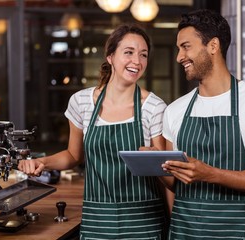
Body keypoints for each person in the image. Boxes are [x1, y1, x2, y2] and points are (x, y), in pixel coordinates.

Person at [18, 24, 169, 239]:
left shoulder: (154, 107)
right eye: (128, 52)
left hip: (143, 222)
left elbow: (164, 172)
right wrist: (43, 163)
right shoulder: (81, 102)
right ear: (110, 56)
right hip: (97, 221)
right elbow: (73, 155)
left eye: (143, 55)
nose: (137, 61)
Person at [161, 9, 245, 239]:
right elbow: (175, 183)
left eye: (186, 46)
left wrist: (209, 174)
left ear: (213, 46)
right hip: (185, 233)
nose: (179, 57)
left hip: (240, 233)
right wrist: (155, 166)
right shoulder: (175, 110)